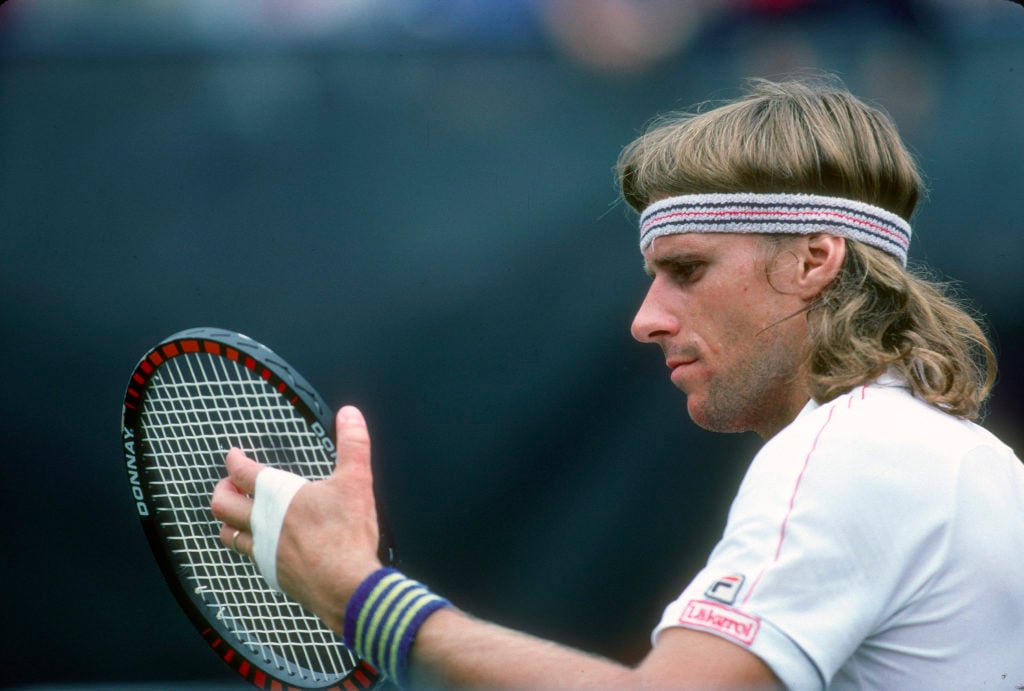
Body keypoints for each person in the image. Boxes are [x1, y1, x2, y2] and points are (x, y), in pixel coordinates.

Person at [210, 77, 1024, 690]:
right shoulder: (958, 453)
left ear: (815, 260)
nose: (646, 319)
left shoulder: (850, 452)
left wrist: (358, 595)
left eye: (687, 270)